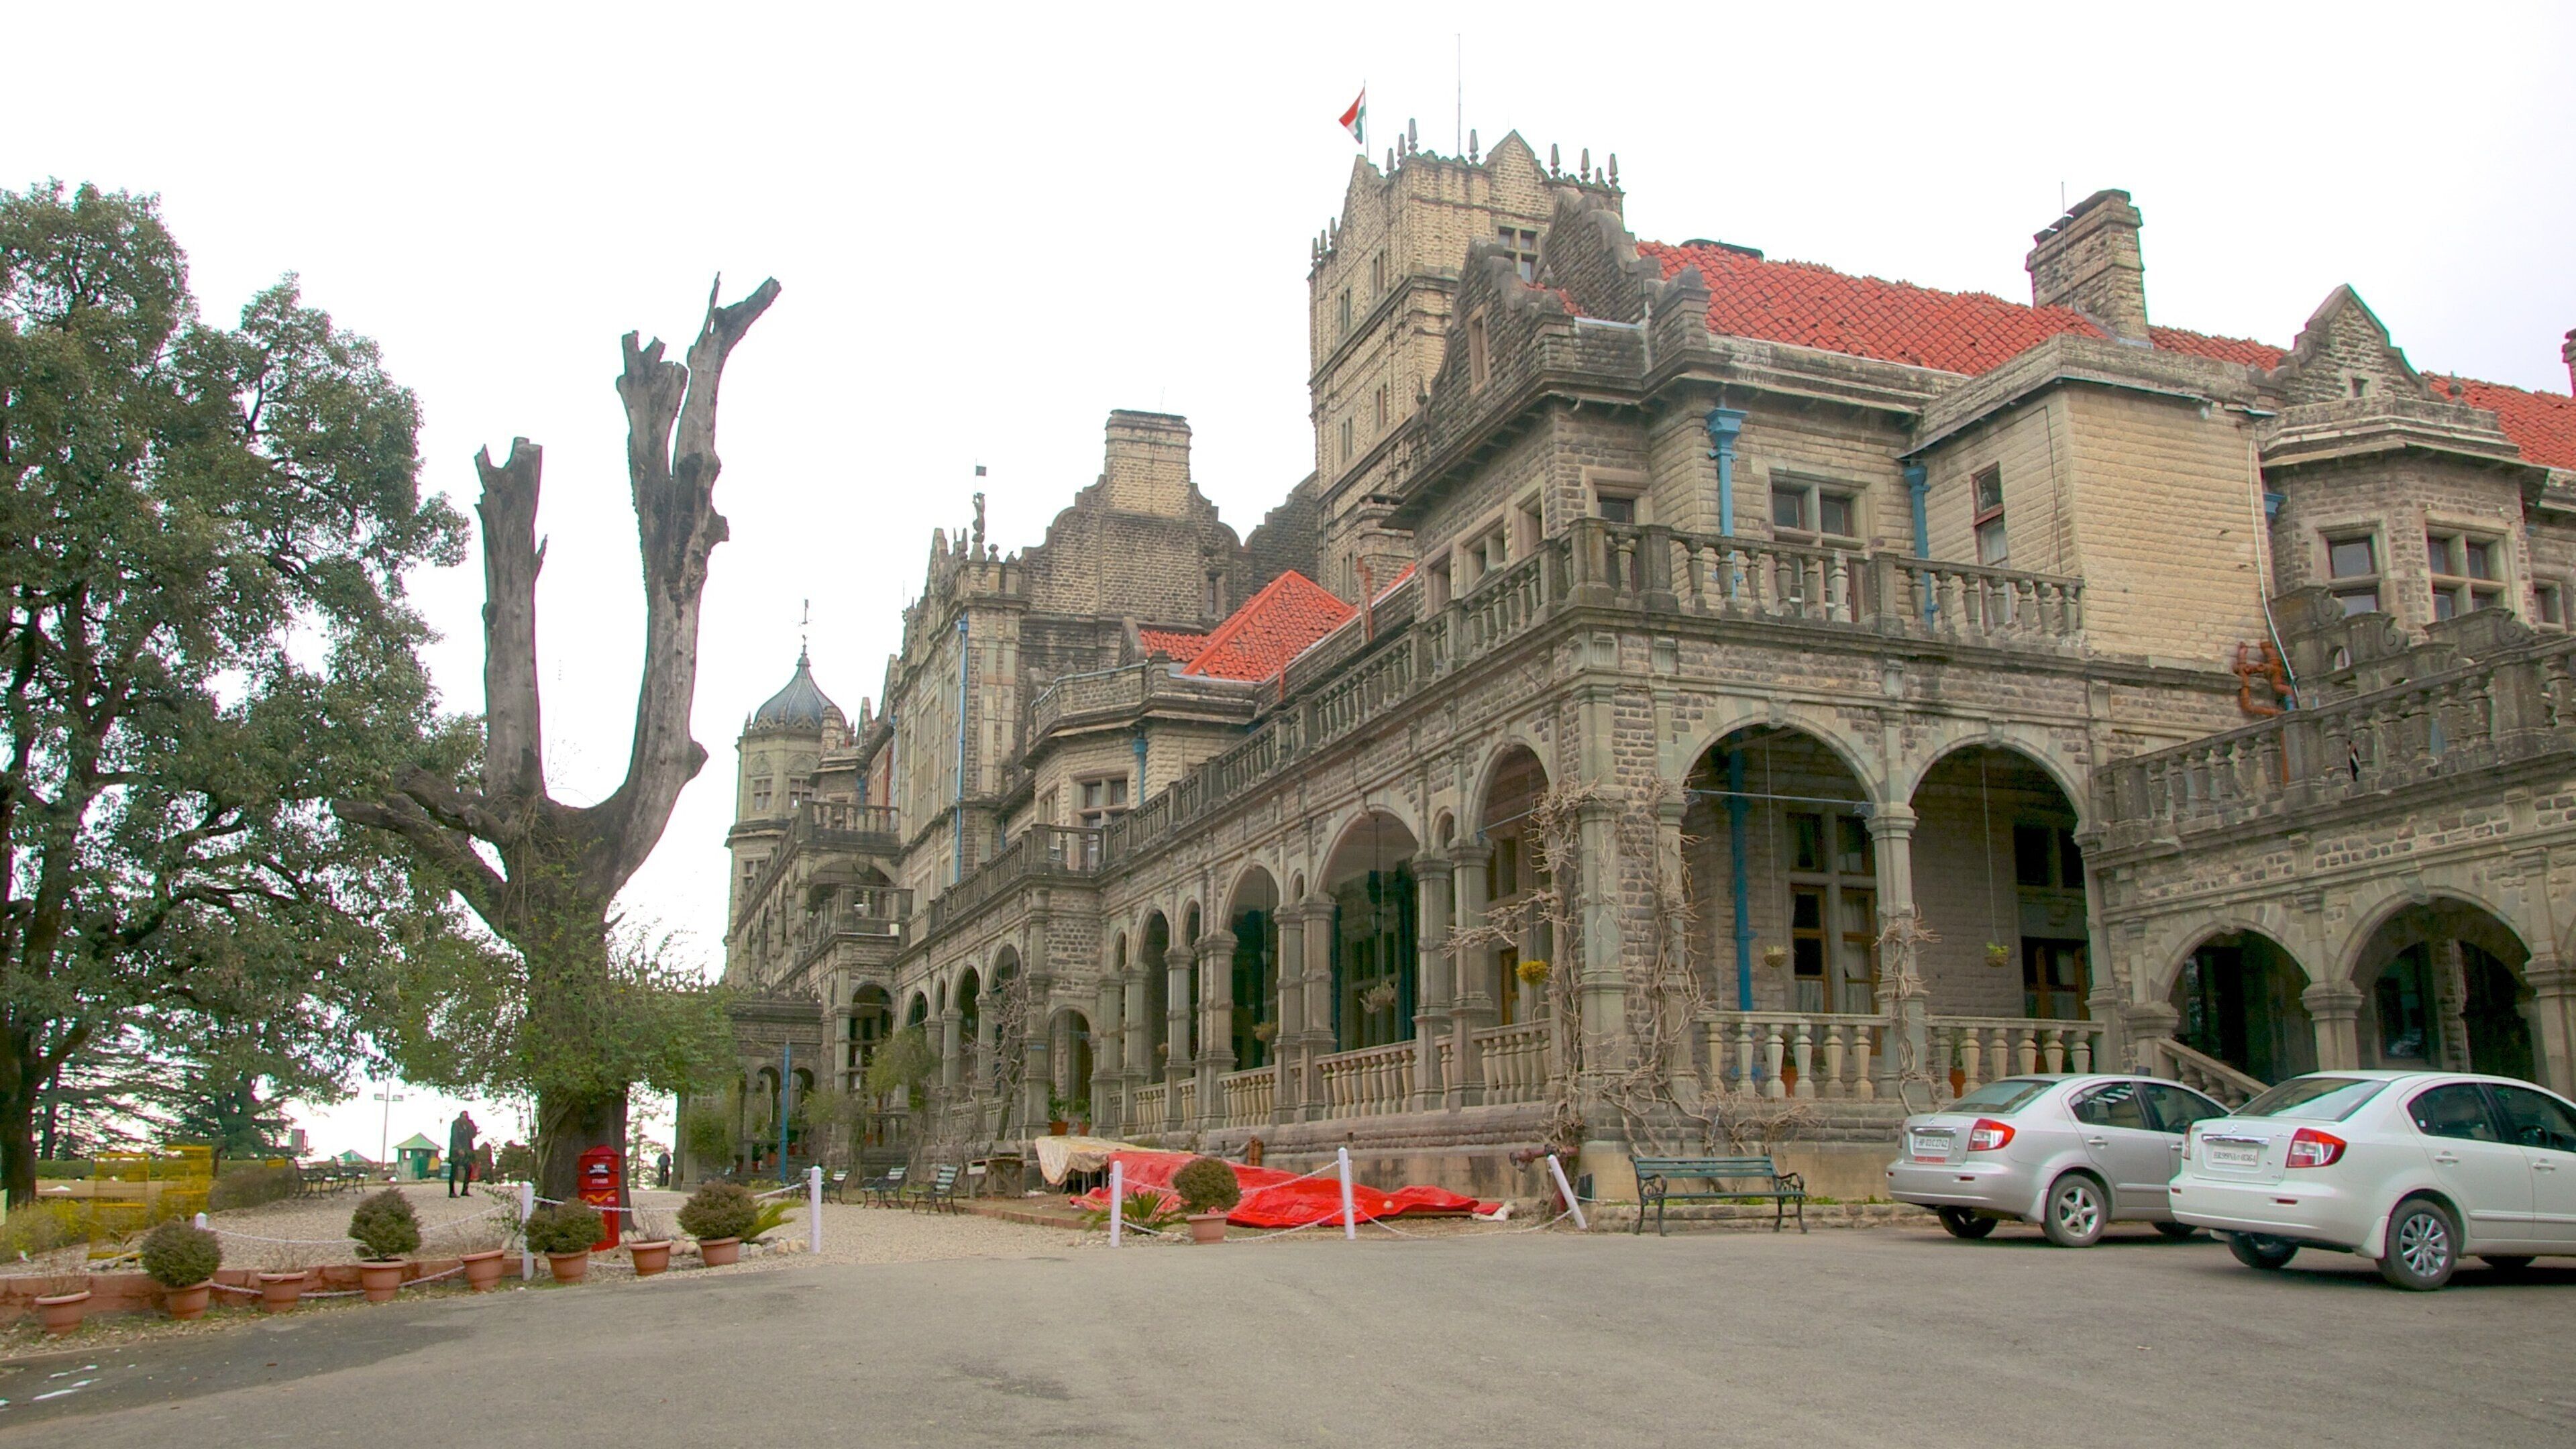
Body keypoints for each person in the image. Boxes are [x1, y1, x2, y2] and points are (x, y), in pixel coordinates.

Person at [447, 1110, 479, 1198]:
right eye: (464, 1117)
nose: (465, 1118)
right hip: (456, 1151)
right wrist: (458, 1149)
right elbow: (454, 1137)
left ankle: (465, 1190)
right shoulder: (456, 1124)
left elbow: (473, 1135)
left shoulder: (468, 1125)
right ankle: (451, 1192)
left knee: (469, 1168)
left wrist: (472, 1124)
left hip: (466, 1150)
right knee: (454, 1170)